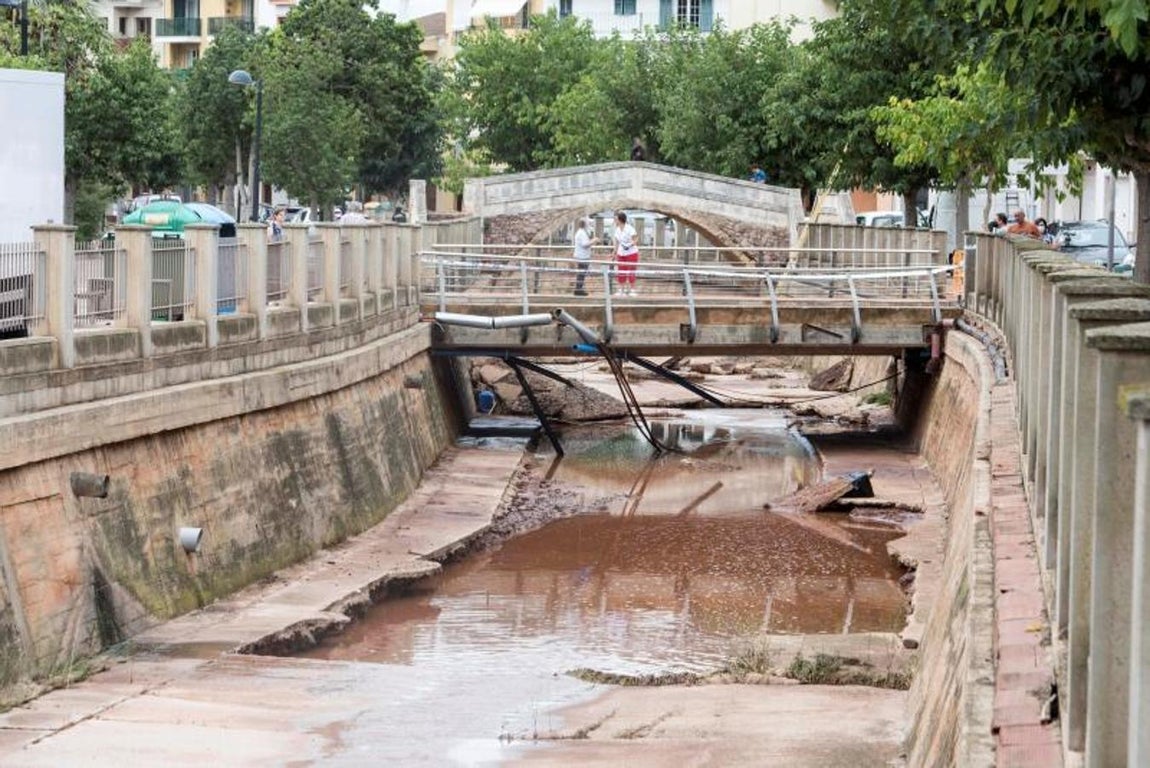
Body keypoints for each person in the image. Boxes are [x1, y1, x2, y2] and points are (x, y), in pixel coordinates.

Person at [612, 210, 640, 296]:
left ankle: (632, 290)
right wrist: (614, 253)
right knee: (621, 272)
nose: (614, 221)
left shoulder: (629, 228)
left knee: (631, 271)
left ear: (620, 220)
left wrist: (630, 244)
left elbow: (636, 239)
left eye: (615, 219)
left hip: (631, 253)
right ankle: (621, 290)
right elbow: (617, 243)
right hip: (621, 253)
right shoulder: (617, 230)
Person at [572, 218, 598, 296]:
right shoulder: (581, 233)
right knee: (581, 273)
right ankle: (579, 289)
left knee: (581, 273)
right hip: (582, 256)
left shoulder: (581, 232)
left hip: (581, 255)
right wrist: (594, 240)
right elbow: (585, 244)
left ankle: (579, 288)